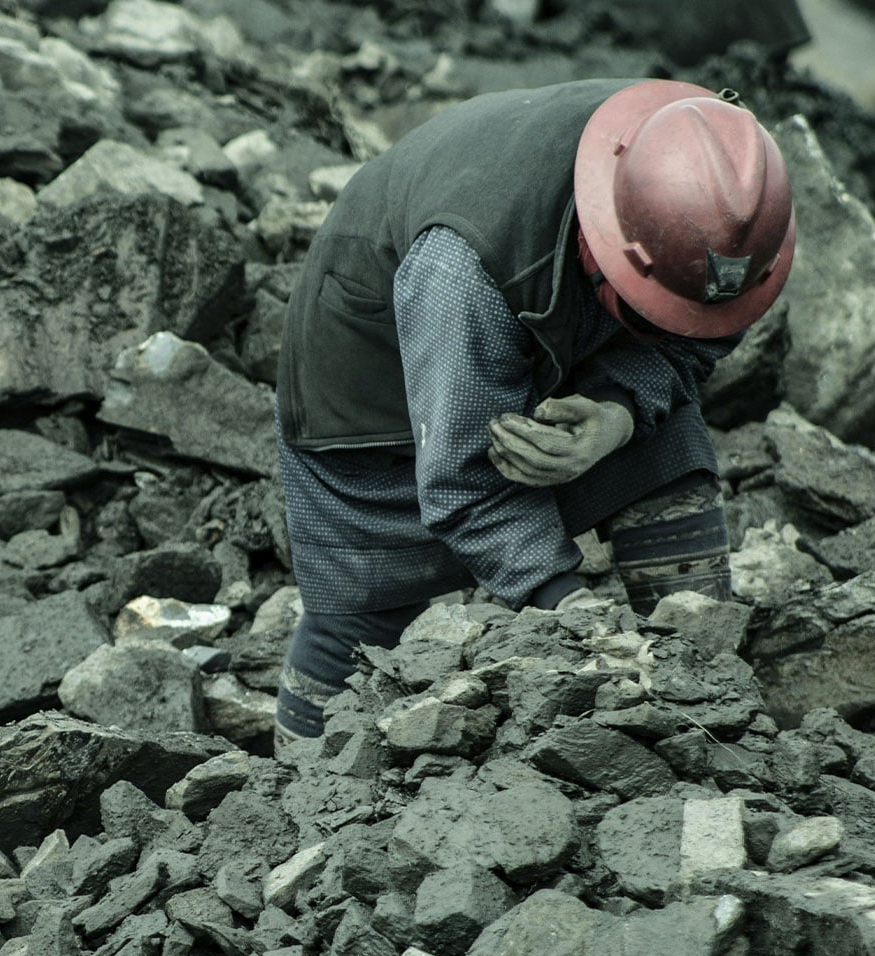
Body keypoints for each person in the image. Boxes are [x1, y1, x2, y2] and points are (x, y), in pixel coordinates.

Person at [272, 78, 796, 753]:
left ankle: (706, 698)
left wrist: (619, 410)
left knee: (664, 464)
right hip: (369, 379)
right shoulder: (461, 271)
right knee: (367, 596)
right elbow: (462, 482)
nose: (677, 322)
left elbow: (708, 324)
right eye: (649, 308)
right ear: (609, 245)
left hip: (551, 317)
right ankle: (295, 786)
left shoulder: (736, 204)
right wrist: (567, 605)